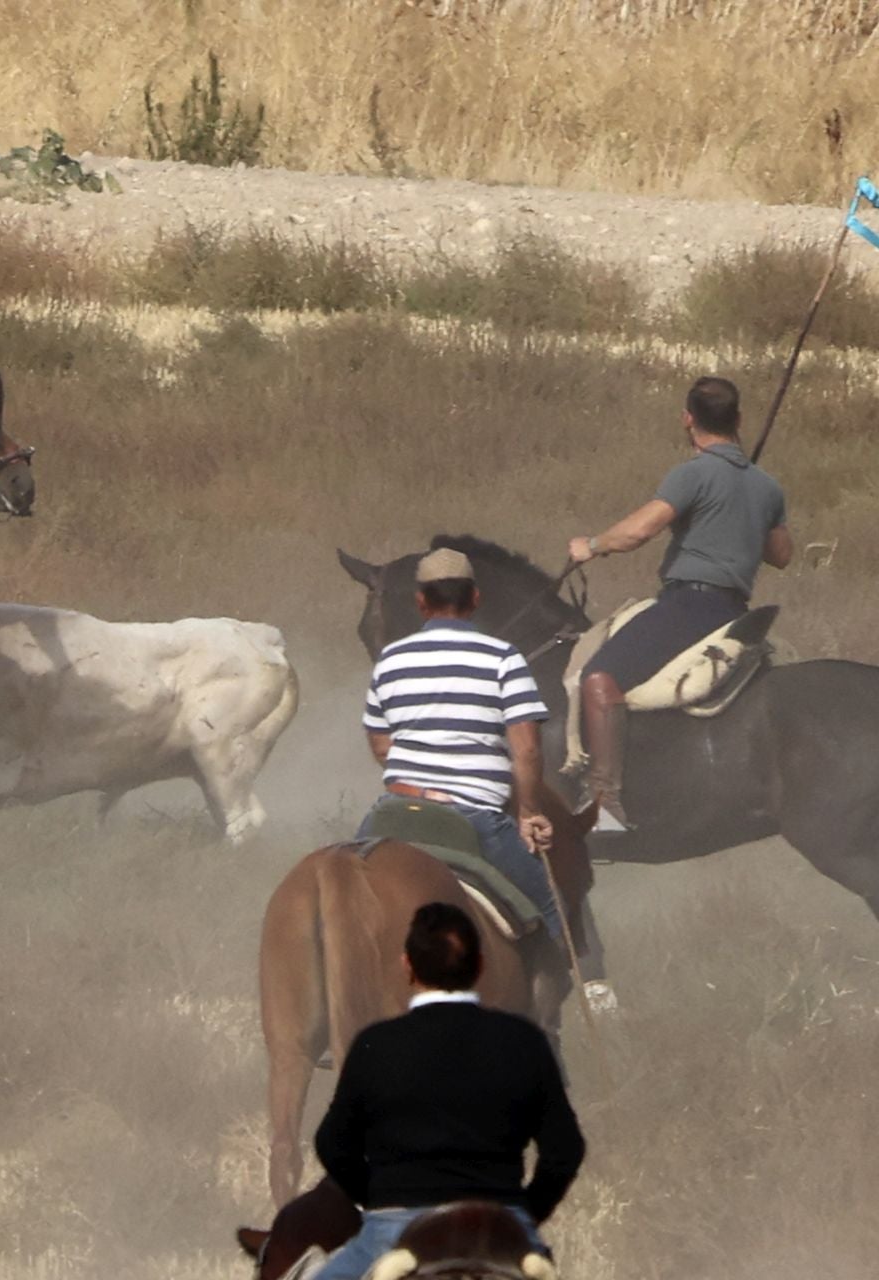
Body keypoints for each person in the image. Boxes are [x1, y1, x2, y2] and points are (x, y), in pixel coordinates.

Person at [310, 902, 586, 1280]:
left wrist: (381, 1200)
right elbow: (565, 1149)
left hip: (395, 1231)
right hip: (501, 1228)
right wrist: (523, 1213)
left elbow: (331, 1143)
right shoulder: (523, 1042)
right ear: (480, 966)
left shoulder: (377, 1044)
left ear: (408, 966)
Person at [567, 375, 791, 832]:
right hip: (734, 610)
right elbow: (781, 555)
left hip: (690, 606)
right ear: (739, 420)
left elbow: (639, 531)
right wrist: (748, 510)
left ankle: (604, 803)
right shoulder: (766, 486)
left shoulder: (692, 473)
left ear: (688, 420)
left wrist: (590, 545)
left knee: (598, 677)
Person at [359, 547, 569, 962]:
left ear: (420, 602)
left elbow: (381, 744)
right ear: (475, 598)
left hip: (394, 812)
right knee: (551, 914)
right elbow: (526, 750)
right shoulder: (504, 659)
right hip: (474, 819)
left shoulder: (389, 661)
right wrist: (528, 811)